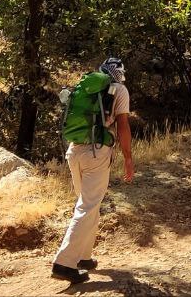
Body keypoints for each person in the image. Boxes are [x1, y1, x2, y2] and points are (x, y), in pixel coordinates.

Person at [51, 58, 135, 284]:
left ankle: (83, 257)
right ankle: (64, 263)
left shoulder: (86, 86)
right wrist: (128, 158)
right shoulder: (119, 90)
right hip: (96, 153)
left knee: (88, 205)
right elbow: (123, 125)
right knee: (87, 206)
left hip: (74, 151)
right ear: (120, 73)